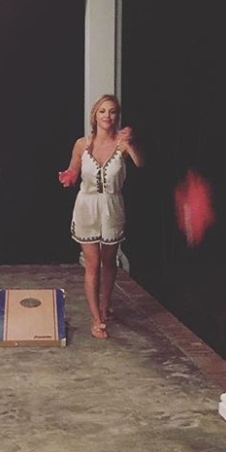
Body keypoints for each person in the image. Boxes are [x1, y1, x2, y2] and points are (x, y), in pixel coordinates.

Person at [59, 94, 145, 339]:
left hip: (111, 207)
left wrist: (130, 144)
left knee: (109, 262)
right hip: (87, 207)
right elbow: (73, 169)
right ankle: (96, 319)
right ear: (95, 116)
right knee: (92, 264)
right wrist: (68, 177)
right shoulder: (82, 144)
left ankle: (105, 306)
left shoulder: (122, 144)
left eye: (112, 111)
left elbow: (140, 163)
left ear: (117, 116)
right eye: (103, 111)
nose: (108, 116)